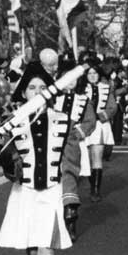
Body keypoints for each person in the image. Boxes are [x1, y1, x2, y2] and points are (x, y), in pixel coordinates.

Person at [0, 62, 74, 255]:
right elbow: (1, 156)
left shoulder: (63, 120)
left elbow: (70, 159)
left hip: (50, 191)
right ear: (24, 93)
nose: (37, 92)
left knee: (46, 251)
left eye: (42, 87)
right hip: (23, 193)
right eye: (32, 88)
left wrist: (69, 196)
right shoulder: (12, 120)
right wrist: (6, 159)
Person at [41, 49, 96, 241]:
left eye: (73, 79)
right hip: (52, 144)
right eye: (66, 78)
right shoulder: (51, 98)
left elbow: (90, 121)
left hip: (73, 144)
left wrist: (79, 132)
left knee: (71, 178)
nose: (70, 82)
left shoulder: (84, 100)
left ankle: (70, 218)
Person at [80, 60, 118, 202]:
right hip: (84, 126)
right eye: (89, 73)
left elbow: (112, 107)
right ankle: (92, 184)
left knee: (97, 157)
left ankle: (95, 190)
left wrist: (101, 116)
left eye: (95, 73)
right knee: (88, 159)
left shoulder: (106, 88)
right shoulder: (81, 88)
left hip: (100, 125)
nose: (92, 76)